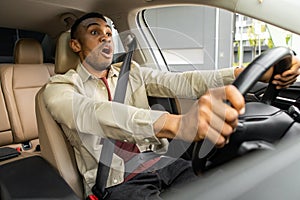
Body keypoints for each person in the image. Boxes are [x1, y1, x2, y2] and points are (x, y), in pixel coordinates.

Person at [43, 12, 300, 199]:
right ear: (75, 45)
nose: (106, 39)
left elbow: (182, 81)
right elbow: (95, 113)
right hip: (115, 181)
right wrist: (175, 123)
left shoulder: (130, 73)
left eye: (109, 33)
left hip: (161, 162)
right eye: (95, 32)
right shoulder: (58, 88)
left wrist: (245, 71)